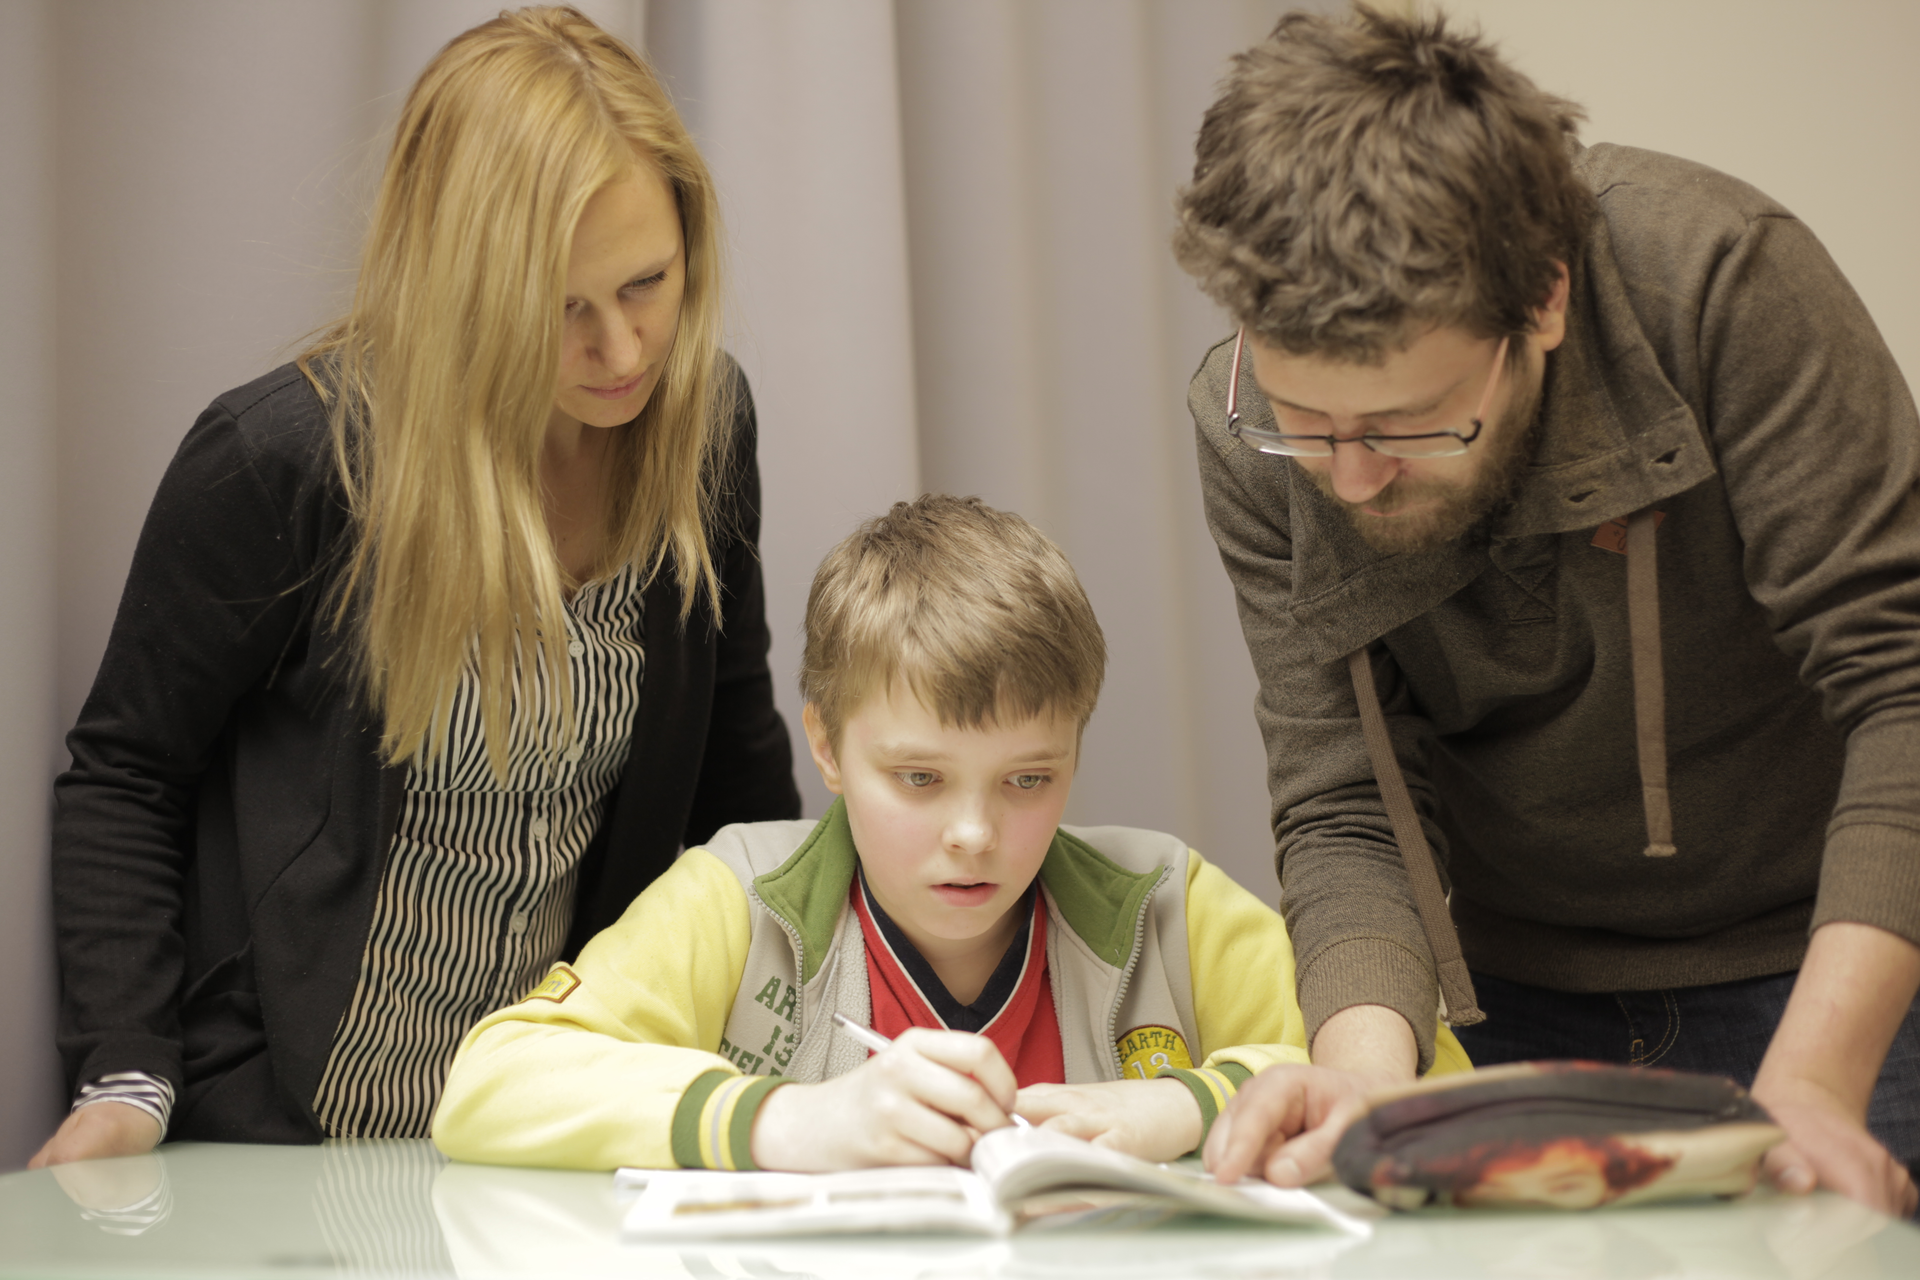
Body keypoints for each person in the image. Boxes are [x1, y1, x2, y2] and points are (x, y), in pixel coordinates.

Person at [1172, 7, 1920, 1214]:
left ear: (1545, 303)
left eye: (1408, 423)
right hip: (1518, 1002)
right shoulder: (1245, 423)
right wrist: (1367, 1077)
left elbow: (1906, 689)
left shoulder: (1723, 281)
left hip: (1836, 965)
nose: (1348, 476)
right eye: (1306, 424)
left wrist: (1821, 1078)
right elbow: (1347, 792)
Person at [35, 6, 798, 1166]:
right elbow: (127, 774)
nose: (626, 350)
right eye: (561, 308)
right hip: (286, 1134)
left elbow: (734, 773)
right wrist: (127, 1074)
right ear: (460, 284)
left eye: (648, 282)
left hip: (562, 1121)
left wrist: (795, 1036)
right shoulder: (286, 458)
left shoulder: (704, 426)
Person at [430, 495, 1471, 1171]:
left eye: (1029, 777)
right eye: (918, 777)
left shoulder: (1165, 900)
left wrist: (1195, 1105)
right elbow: (488, 1086)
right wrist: (787, 1121)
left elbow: (1434, 1077)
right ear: (827, 747)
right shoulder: (737, 897)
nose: (974, 831)